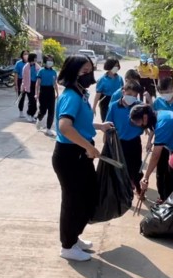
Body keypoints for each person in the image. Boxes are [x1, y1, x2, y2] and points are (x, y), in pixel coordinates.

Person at [52, 55, 113, 262]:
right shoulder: (71, 96)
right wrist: (88, 147)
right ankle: (67, 246)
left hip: (80, 153)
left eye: (90, 70)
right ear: (72, 72)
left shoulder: (81, 93)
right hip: (71, 156)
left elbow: (79, 124)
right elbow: (65, 127)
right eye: (84, 71)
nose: (89, 75)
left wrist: (99, 126)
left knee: (86, 197)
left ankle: (74, 237)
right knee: (73, 201)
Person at [105, 80, 144, 194]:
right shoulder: (113, 106)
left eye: (135, 95)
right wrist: (107, 140)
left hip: (135, 141)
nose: (132, 97)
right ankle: (124, 189)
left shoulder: (140, 106)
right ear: (123, 92)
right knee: (122, 165)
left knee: (136, 165)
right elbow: (108, 124)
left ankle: (138, 187)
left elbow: (148, 123)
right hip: (119, 141)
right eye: (129, 94)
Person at [35, 54, 59, 136]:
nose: (50, 62)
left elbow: (55, 83)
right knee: (43, 110)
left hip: (51, 91)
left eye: (51, 60)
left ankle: (48, 129)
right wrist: (36, 93)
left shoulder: (54, 72)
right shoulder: (41, 71)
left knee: (51, 111)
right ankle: (39, 118)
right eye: (48, 60)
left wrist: (57, 93)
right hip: (43, 91)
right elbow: (37, 83)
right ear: (45, 61)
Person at [21, 53, 41, 123]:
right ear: (32, 58)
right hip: (29, 86)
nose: (36, 59)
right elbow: (24, 78)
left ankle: (32, 115)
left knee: (35, 102)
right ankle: (28, 114)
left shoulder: (37, 66)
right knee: (31, 101)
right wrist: (23, 87)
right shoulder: (26, 67)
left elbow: (40, 74)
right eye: (35, 57)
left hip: (35, 86)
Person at [14, 50, 29, 118]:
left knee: (31, 98)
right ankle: (21, 111)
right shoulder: (18, 63)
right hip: (21, 81)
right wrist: (16, 84)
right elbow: (16, 74)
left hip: (29, 81)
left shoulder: (30, 63)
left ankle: (30, 112)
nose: (26, 55)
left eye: (27, 54)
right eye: (24, 54)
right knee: (21, 97)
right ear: (22, 55)